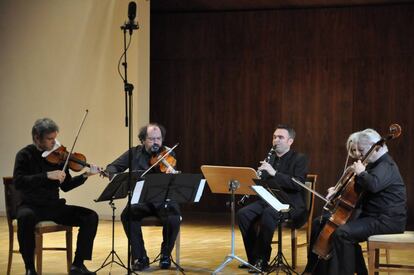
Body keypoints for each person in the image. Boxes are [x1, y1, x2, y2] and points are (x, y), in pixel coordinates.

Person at [304, 128, 407, 275]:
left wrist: (361, 173)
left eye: (362, 150)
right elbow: (358, 190)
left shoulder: (386, 165)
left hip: (387, 220)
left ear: (375, 147)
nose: (358, 154)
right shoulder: (373, 165)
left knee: (343, 233)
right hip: (370, 216)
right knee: (319, 222)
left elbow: (373, 185)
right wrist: (338, 190)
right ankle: (315, 270)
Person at [13, 118, 100, 275]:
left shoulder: (59, 157)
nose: (54, 143)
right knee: (25, 218)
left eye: (55, 138)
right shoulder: (25, 155)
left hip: (53, 206)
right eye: (50, 139)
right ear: (36, 138)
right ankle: (30, 269)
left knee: (90, 216)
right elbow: (19, 182)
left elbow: (66, 186)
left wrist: (85, 175)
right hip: (31, 206)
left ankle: (78, 265)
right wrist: (46, 175)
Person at [105, 123, 180, 271]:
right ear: (143, 140)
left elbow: (173, 180)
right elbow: (112, 167)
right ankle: (140, 257)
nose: (156, 142)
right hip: (141, 200)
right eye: (151, 139)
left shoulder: (168, 154)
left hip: (163, 200)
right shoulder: (134, 153)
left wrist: (172, 174)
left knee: (174, 217)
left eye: (159, 138)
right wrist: (113, 175)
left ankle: (165, 255)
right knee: (127, 214)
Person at [237, 124, 309, 272]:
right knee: (243, 214)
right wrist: (257, 178)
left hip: (291, 204)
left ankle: (262, 259)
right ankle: (253, 258)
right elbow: (264, 185)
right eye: (274, 137)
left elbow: (298, 185)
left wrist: (274, 173)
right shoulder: (270, 158)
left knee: (269, 213)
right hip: (269, 201)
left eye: (280, 137)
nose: (276, 140)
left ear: (290, 141)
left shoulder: (300, 159)